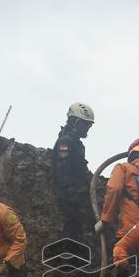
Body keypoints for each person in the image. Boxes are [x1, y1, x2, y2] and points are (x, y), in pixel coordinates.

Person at [52, 102, 95, 241]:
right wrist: (76, 196)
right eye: (85, 124)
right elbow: (62, 173)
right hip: (70, 198)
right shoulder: (66, 141)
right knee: (73, 230)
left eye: (89, 125)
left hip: (76, 194)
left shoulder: (76, 143)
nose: (88, 128)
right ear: (75, 122)